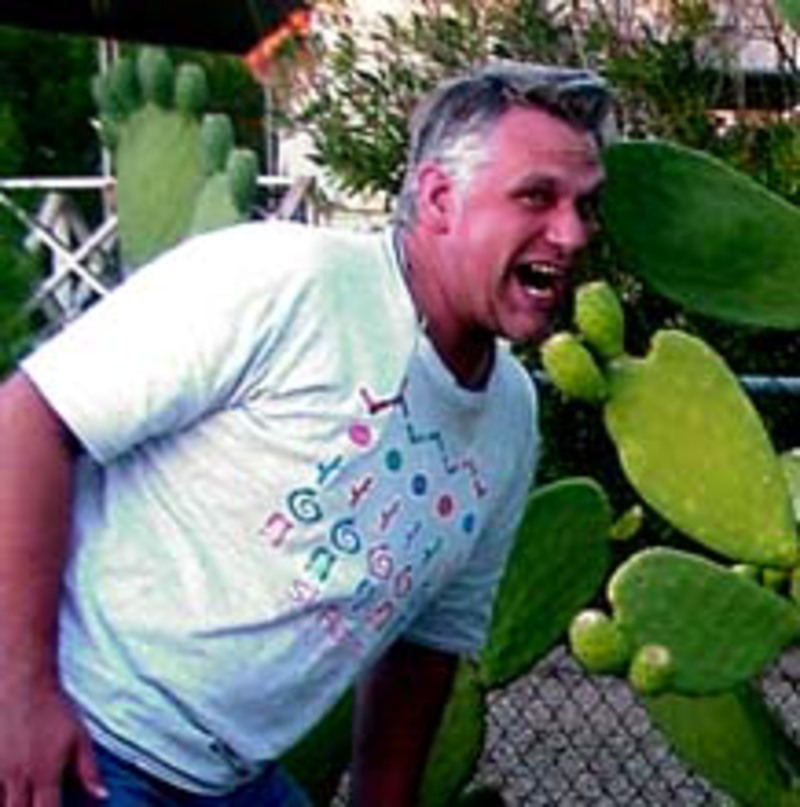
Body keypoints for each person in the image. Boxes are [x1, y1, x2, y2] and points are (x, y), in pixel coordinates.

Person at [0, 61, 610, 807]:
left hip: (227, 778)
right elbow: (30, 417)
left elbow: (432, 641)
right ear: (441, 199)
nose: (573, 232)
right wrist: (19, 694)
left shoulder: (510, 414)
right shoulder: (291, 283)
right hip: (82, 740)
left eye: (585, 205)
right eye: (536, 197)